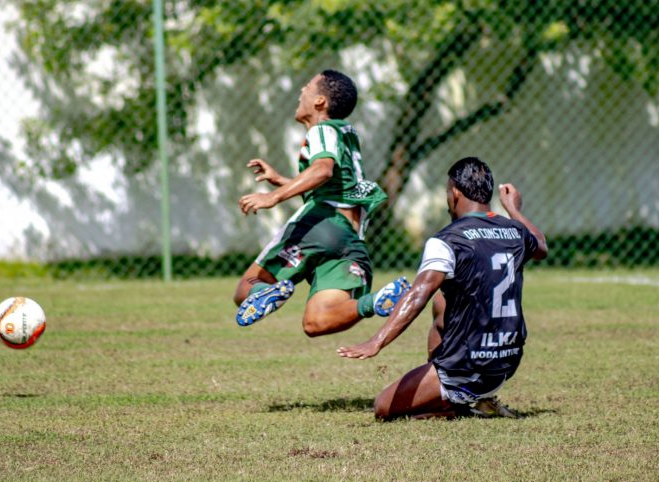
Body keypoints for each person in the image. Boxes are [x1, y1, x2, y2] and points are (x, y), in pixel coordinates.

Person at [337, 157, 548, 420]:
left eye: (448, 191)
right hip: (506, 361)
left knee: (383, 407)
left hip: (469, 367)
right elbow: (540, 246)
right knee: (443, 299)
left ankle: (456, 402)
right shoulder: (514, 231)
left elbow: (418, 293)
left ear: (455, 193)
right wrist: (513, 209)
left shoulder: (449, 239)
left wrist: (376, 341)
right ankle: (469, 395)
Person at [234, 69, 410, 335]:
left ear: (320, 102)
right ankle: (375, 301)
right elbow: (337, 184)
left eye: (306, 87)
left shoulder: (322, 129)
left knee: (247, 288)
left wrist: (272, 197)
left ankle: (269, 291)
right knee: (317, 321)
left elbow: (323, 170)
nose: (300, 92)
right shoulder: (345, 132)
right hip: (349, 236)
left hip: (321, 222)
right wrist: (282, 180)